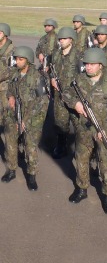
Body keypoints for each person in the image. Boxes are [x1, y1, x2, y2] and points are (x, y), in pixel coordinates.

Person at [63, 48, 107, 215]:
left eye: (92, 64)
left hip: (104, 130)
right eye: (86, 64)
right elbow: (66, 94)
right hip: (84, 128)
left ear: (101, 65)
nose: (88, 67)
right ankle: (81, 188)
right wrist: (75, 104)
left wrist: (105, 128)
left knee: (106, 162)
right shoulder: (79, 80)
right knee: (81, 158)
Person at [2, 46, 50, 190]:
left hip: (32, 117)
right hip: (15, 113)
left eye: (20, 59)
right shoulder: (15, 74)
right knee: (10, 141)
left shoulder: (38, 77)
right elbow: (10, 87)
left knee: (31, 146)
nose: (17, 62)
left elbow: (43, 102)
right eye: (16, 59)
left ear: (28, 60)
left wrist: (25, 121)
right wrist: (10, 96)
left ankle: (31, 175)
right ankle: (11, 169)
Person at [49, 27, 81, 159]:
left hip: (75, 96)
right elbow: (52, 70)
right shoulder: (56, 54)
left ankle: (81, 149)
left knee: (79, 124)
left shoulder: (79, 55)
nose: (61, 41)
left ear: (71, 40)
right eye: (60, 39)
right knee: (61, 122)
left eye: (64, 39)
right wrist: (52, 78)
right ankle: (62, 145)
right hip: (59, 95)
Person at [0, 23, 15, 135]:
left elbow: (12, 70)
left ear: (5, 34)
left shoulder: (11, 51)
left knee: (8, 114)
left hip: (5, 86)